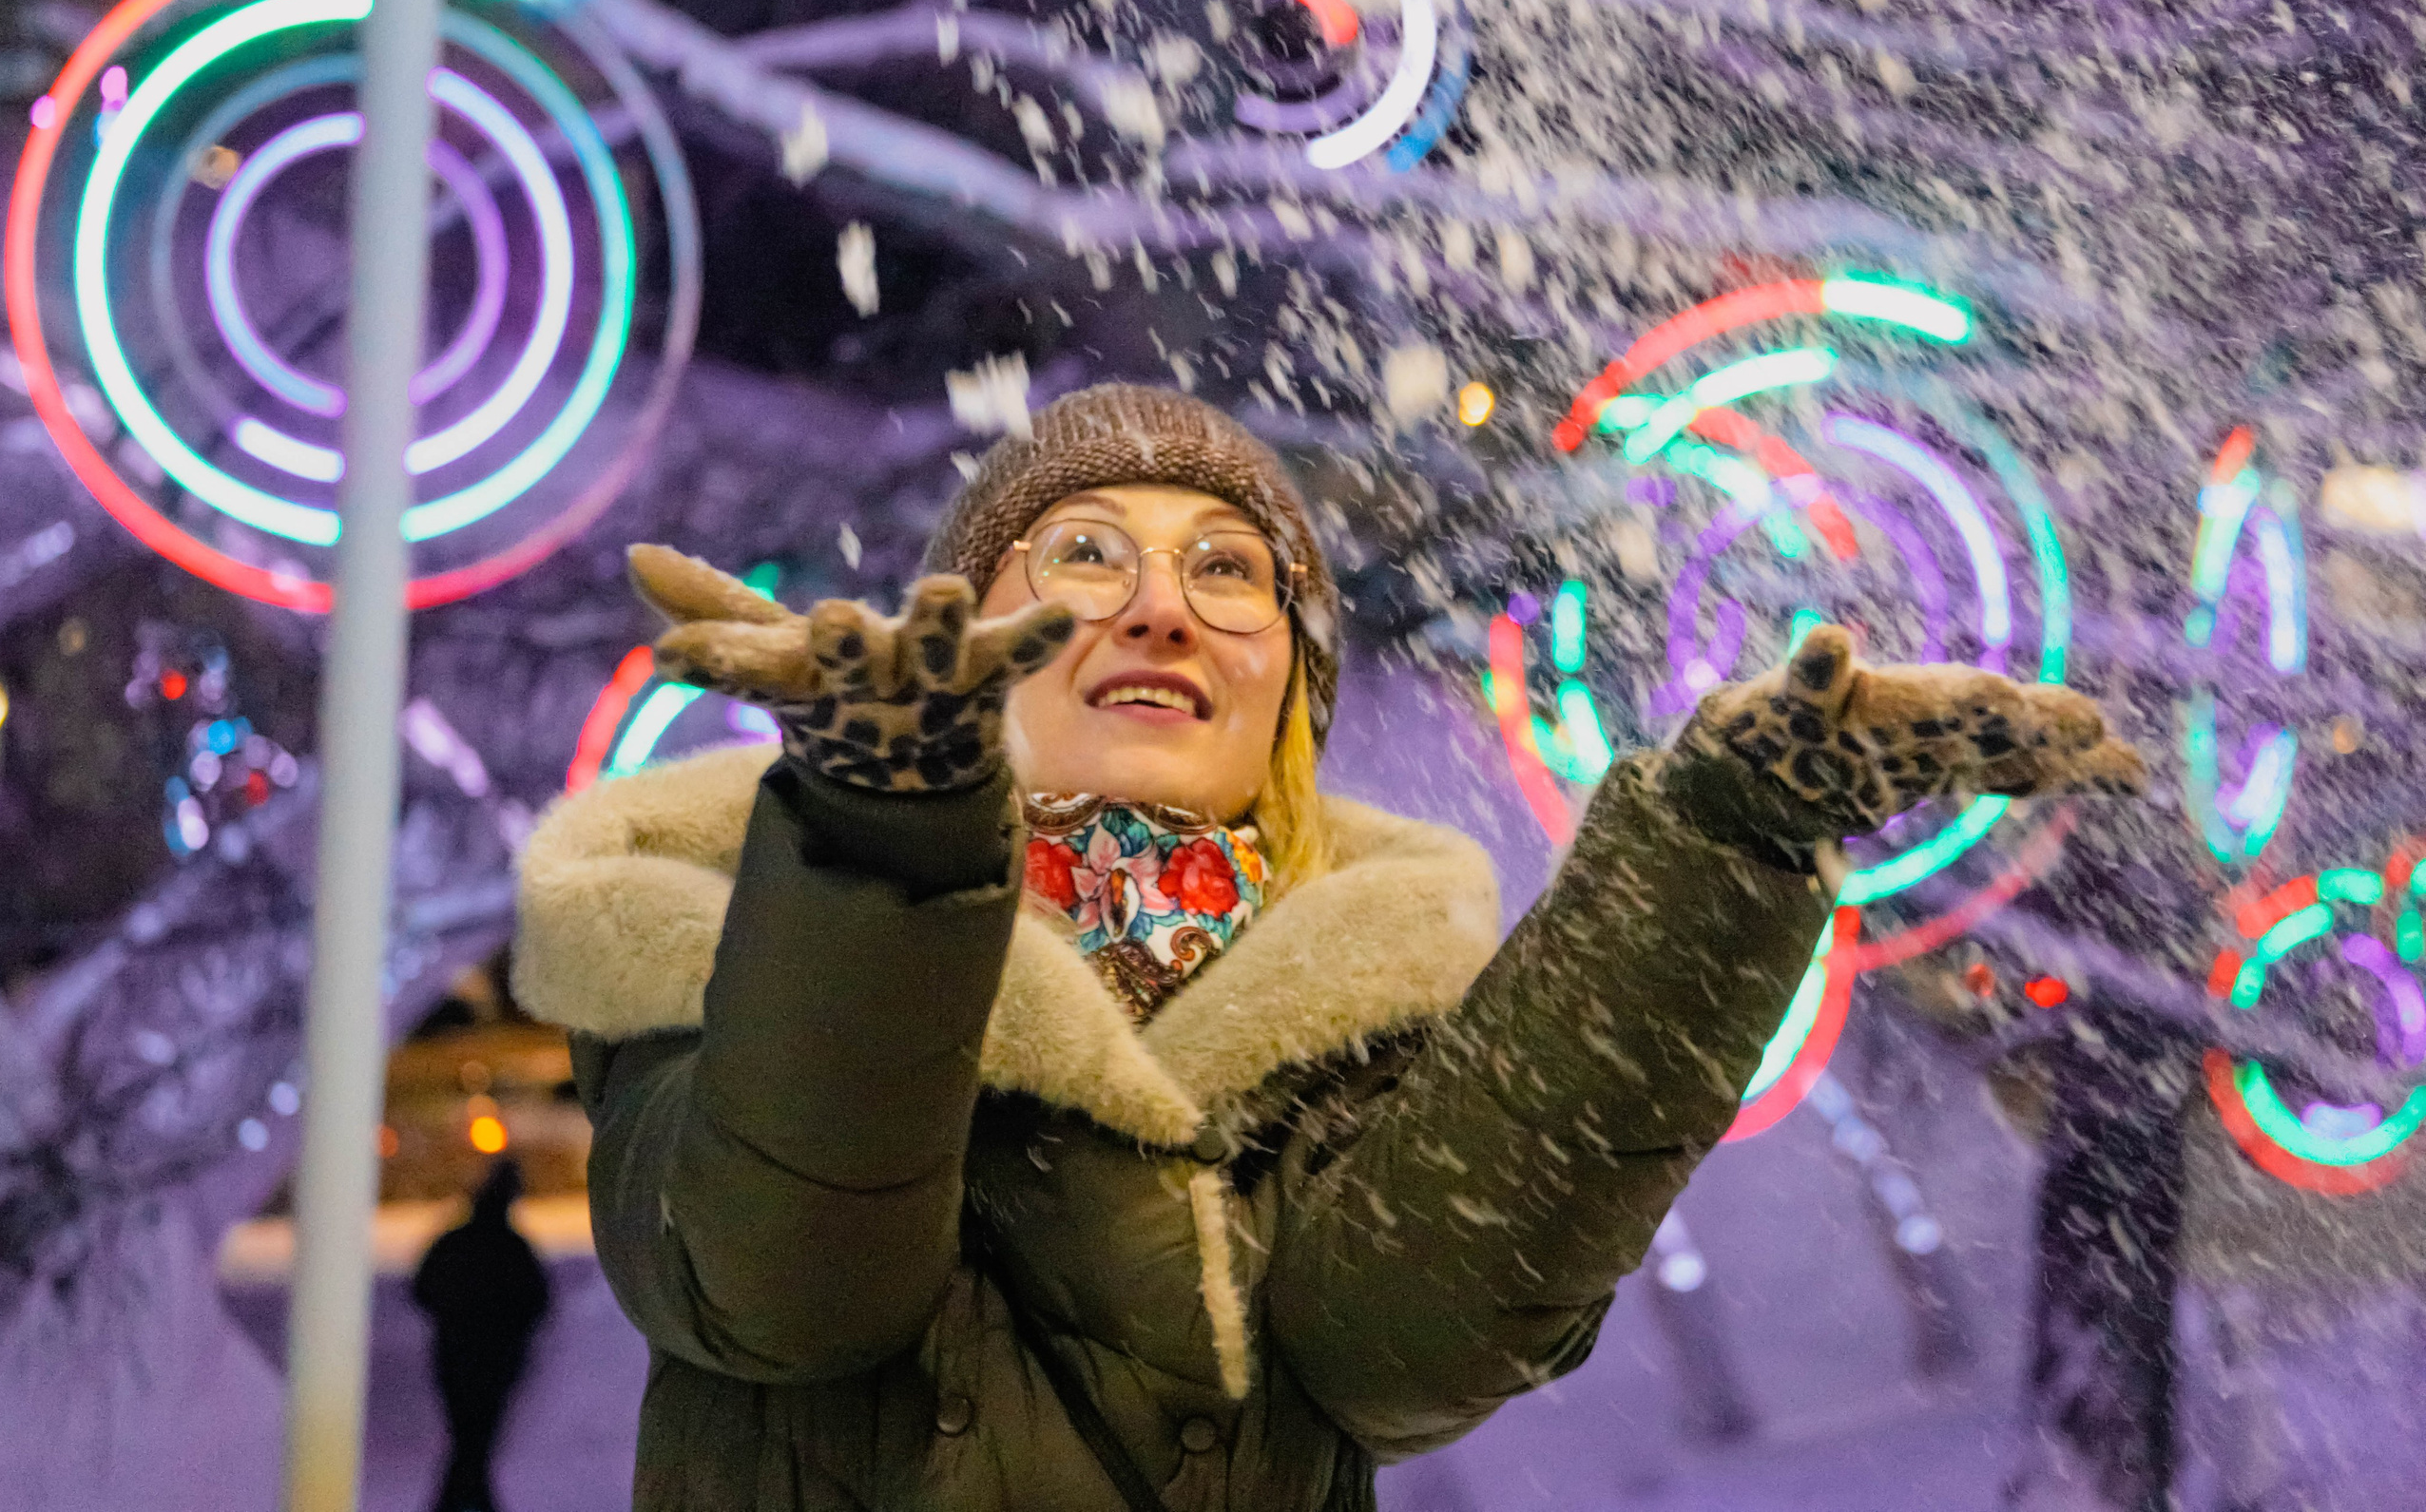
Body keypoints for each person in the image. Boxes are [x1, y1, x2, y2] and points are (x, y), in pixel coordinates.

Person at [514, 384, 2143, 1511]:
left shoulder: (1356, 1018)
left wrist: (1724, 844)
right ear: (965, 635)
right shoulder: (724, 932)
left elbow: (1410, 1340)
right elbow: (781, 1288)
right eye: (1084, 551)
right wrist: (883, 835)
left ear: (1286, 695)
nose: (1161, 605)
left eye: (1229, 570)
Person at [411, 1156, 551, 1512]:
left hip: (456, 1352)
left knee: (467, 1437)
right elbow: (538, 1303)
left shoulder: (456, 1242)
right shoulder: (513, 1249)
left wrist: (453, 1317)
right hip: (498, 1357)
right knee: (477, 1438)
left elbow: (422, 1289)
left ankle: (461, 1502)